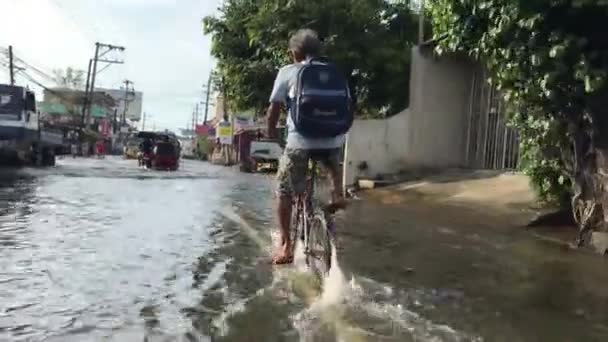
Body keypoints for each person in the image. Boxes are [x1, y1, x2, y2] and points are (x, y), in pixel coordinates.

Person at [266, 29, 351, 264]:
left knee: (283, 190)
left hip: (300, 142)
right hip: (333, 140)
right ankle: (337, 191)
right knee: (333, 155)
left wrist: (271, 132)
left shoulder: (288, 72)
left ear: (295, 52)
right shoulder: (334, 73)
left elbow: (274, 110)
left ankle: (285, 245)